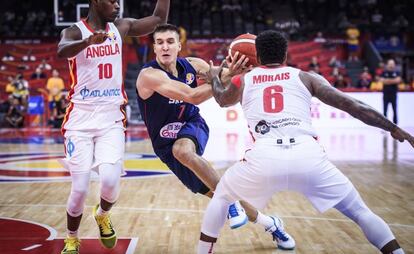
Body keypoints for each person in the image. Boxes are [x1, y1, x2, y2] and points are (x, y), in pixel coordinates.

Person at [198, 30, 414, 254]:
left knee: (222, 197)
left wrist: (214, 76)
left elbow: (222, 100)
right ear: (285, 55)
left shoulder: (242, 80)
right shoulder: (306, 77)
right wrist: (394, 128)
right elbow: (355, 107)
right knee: (361, 212)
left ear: (258, 58)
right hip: (308, 156)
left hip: (264, 158)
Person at [136, 24, 295, 251]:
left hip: (192, 125)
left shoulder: (193, 65)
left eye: (170, 41)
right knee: (217, 193)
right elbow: (192, 96)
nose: (165, 46)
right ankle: (270, 223)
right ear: (154, 48)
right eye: (160, 42)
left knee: (182, 151)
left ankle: (231, 206)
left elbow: (222, 76)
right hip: (164, 143)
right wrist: (225, 77)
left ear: (179, 45)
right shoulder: (149, 76)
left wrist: (235, 71)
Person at [56, 0, 170, 253]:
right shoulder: (75, 31)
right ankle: (72, 238)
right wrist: (87, 43)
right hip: (80, 120)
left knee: (109, 180)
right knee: (81, 187)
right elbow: (62, 50)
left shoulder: (121, 27)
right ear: (96, 1)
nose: (117, 6)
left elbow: (158, 19)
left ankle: (102, 214)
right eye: (112, 1)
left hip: (111, 119)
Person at [380, 59, 401, 124]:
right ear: (387, 65)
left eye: (392, 64)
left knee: (394, 110)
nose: (391, 65)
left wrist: (387, 81)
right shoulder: (384, 72)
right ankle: (384, 124)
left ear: (394, 65)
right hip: (386, 94)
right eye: (390, 64)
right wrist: (392, 81)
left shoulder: (397, 73)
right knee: (385, 110)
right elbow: (382, 80)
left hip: (393, 94)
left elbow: (398, 80)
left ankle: (395, 124)